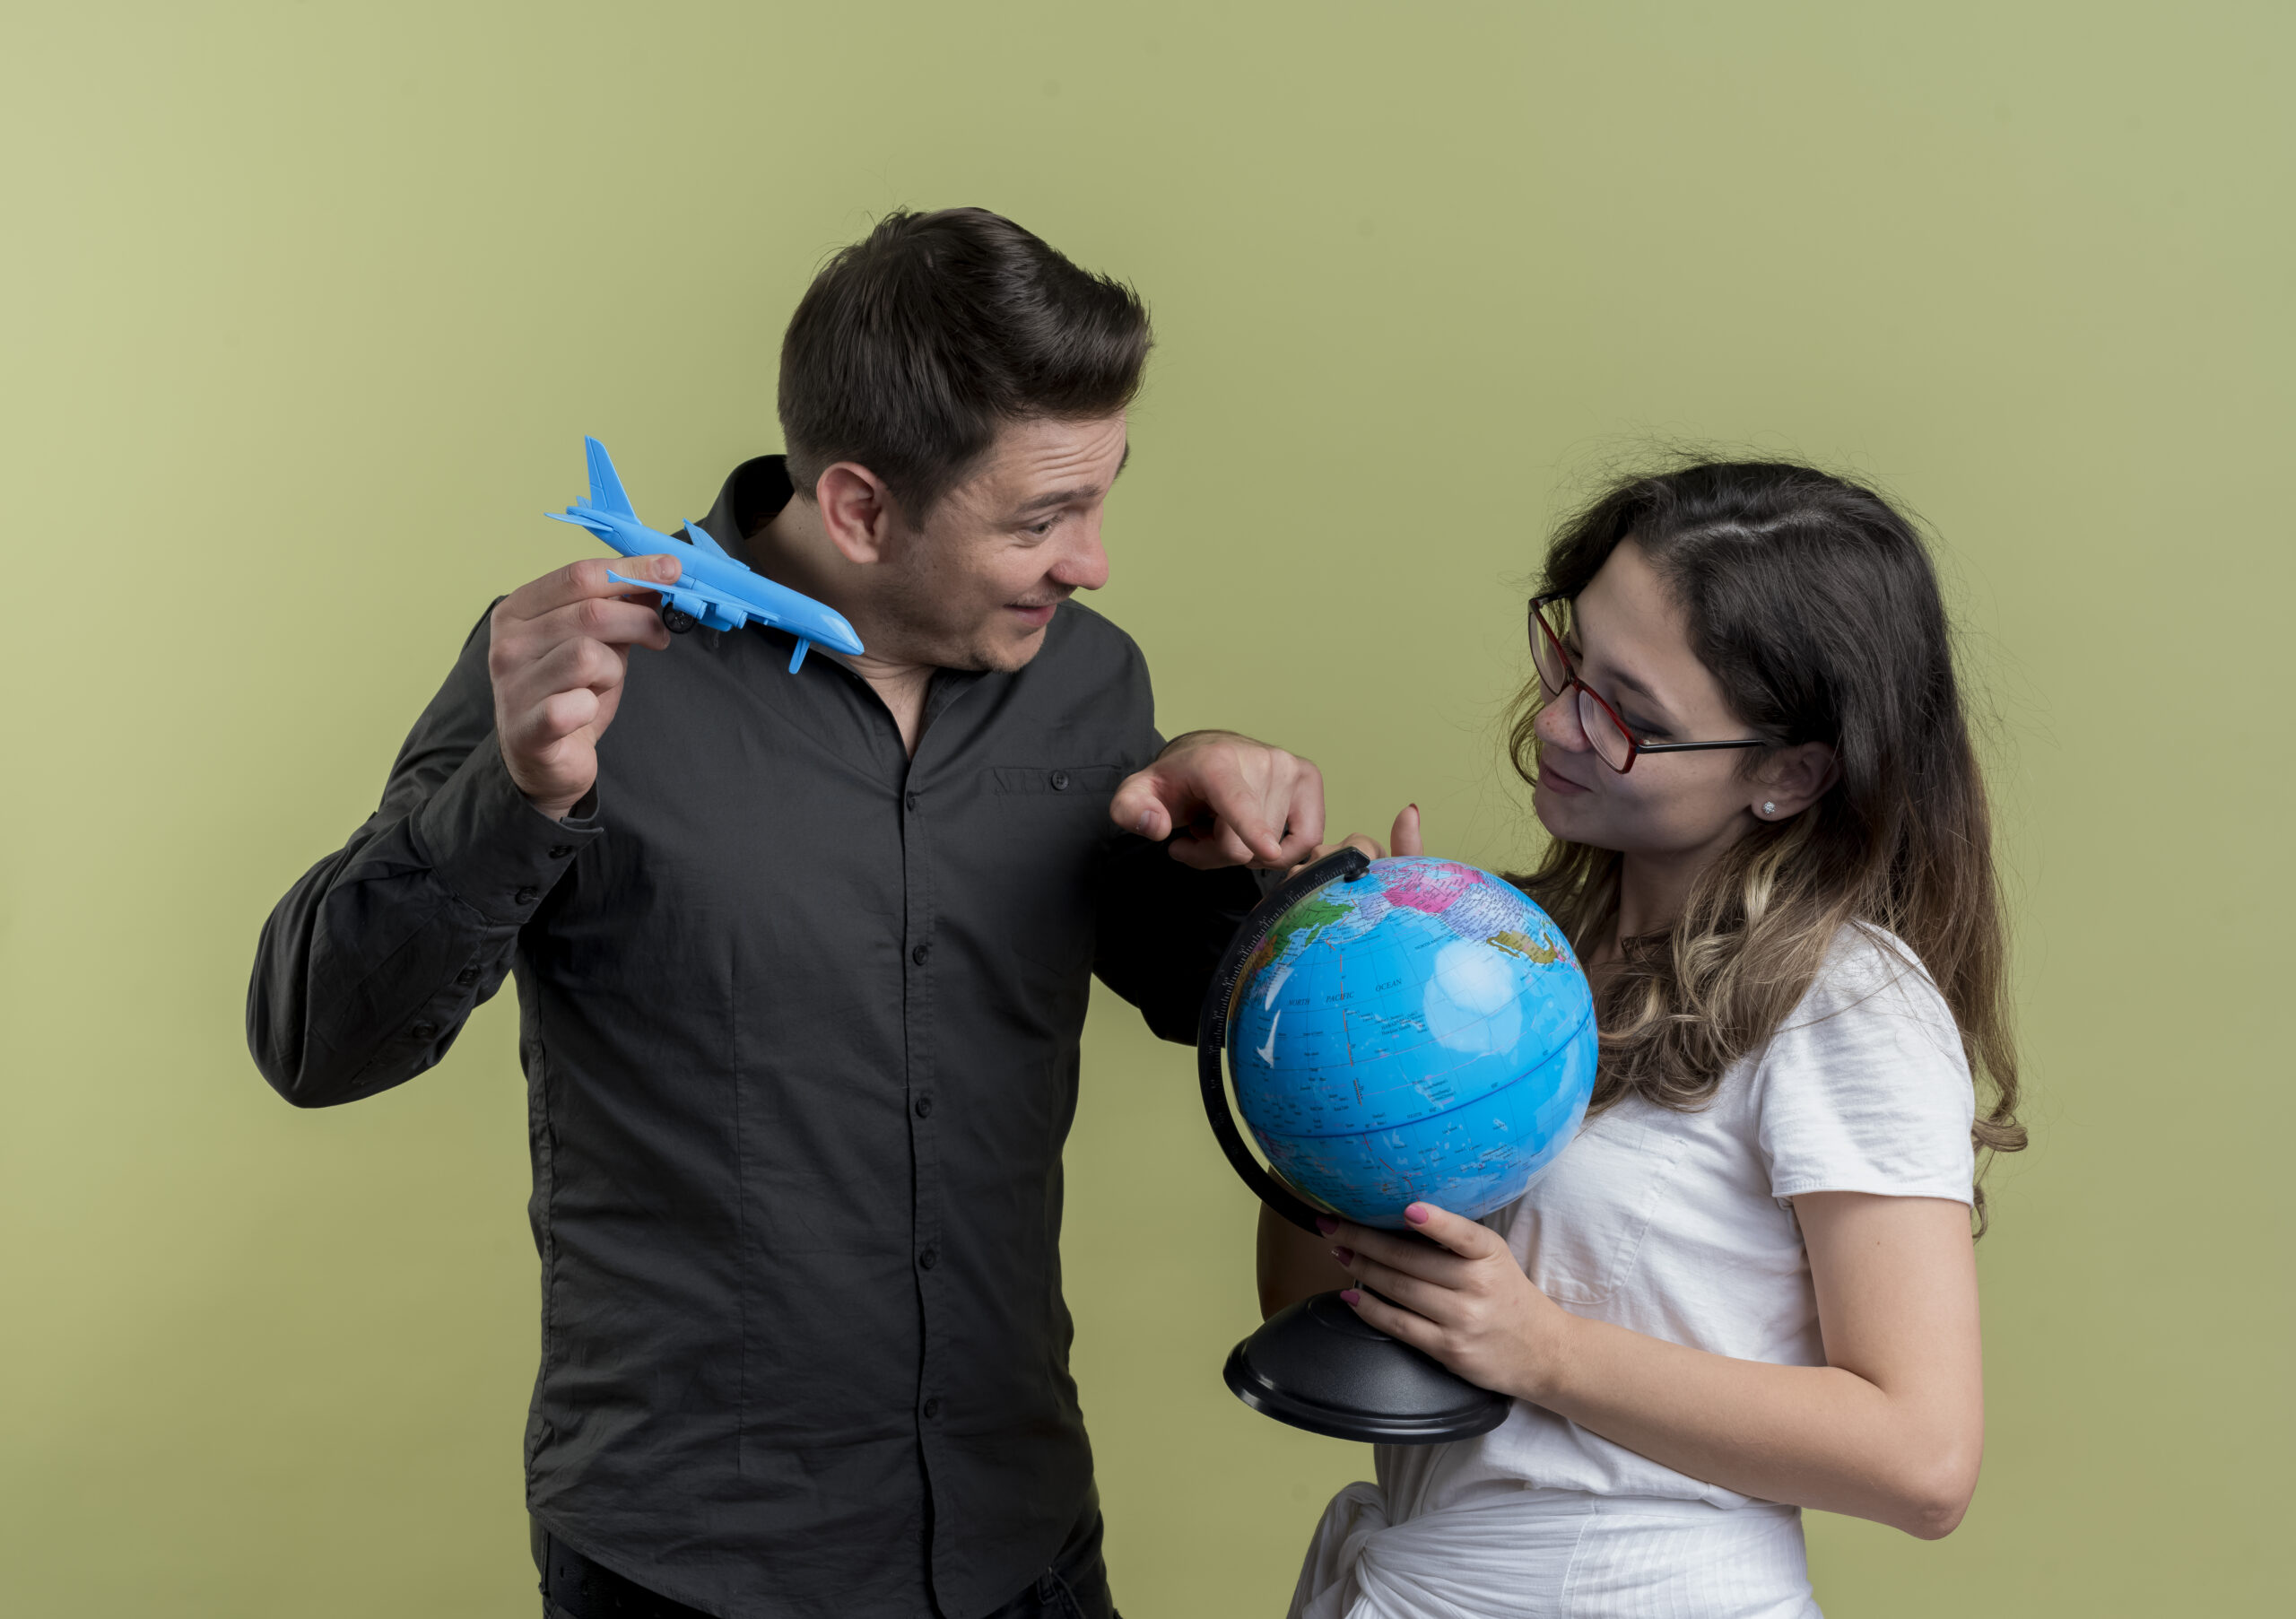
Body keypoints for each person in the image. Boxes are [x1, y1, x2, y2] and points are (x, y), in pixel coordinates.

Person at [247, 207, 1327, 1619]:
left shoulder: (1087, 682)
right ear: (862, 506)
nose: (1094, 560)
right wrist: (514, 793)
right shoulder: (582, 677)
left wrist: (1248, 868)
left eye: (1104, 496)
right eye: (1042, 517)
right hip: (696, 1565)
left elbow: (1208, 1004)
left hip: (1023, 1542)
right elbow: (316, 1040)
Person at [1259, 461, 2026, 1619]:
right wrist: (1347, 1025)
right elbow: (1298, 1304)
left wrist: (1549, 1349)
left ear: (1786, 774)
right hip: (1425, 1577)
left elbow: (1924, 1460)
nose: (1561, 721)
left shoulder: (1847, 1001)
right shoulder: (1517, 953)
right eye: (1571, 657)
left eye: (1631, 713)